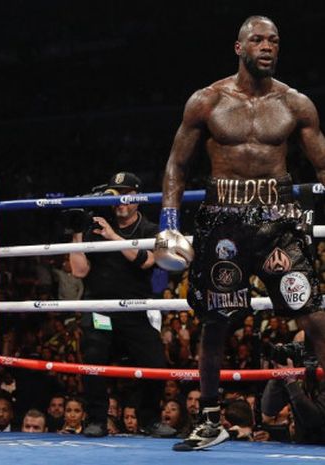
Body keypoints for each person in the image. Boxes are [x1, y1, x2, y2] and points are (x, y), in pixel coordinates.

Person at [154, 16, 325, 451]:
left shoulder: (296, 104)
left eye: (274, 41)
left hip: (280, 219)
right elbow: (177, 164)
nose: (267, 46)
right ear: (239, 47)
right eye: (258, 39)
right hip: (223, 219)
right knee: (215, 322)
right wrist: (169, 223)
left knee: (316, 317)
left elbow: (323, 164)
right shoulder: (207, 101)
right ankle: (211, 420)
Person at [69, 172, 166, 436]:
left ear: (138, 198)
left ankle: (150, 420)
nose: (120, 200)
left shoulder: (150, 229)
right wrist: (77, 233)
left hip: (135, 309)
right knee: (93, 361)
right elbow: (79, 272)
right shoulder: (95, 226)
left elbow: (146, 261)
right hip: (100, 308)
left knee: (156, 365)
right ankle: (96, 420)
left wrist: (112, 236)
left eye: (125, 194)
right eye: (115, 194)